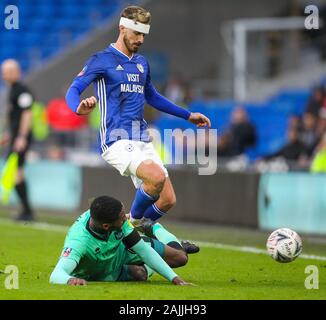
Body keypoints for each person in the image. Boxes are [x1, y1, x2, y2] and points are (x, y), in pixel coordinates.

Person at [65, 6, 211, 227]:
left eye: (144, 34)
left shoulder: (142, 63)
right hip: (116, 139)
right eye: (136, 33)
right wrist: (78, 107)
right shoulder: (101, 60)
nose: (141, 39)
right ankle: (129, 227)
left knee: (168, 200)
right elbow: (73, 90)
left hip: (141, 138)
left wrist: (187, 115)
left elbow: (152, 96)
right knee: (157, 178)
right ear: (122, 28)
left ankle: (131, 235)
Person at [50, 195, 193, 286]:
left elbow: (144, 251)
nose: (126, 217)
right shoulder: (79, 242)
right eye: (122, 217)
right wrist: (70, 280)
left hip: (121, 249)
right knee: (140, 274)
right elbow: (56, 274)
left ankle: (154, 228)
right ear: (106, 226)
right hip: (101, 270)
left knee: (180, 257)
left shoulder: (114, 221)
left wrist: (175, 279)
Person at [0, 59, 34, 221]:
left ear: (15, 72)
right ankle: (26, 211)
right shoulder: (13, 90)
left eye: (6, 72)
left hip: (20, 138)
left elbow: (27, 114)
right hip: (15, 137)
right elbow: (15, 116)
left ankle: (27, 212)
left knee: (16, 172)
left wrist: (21, 137)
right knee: (14, 172)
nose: (3, 75)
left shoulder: (22, 90)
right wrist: (9, 135)